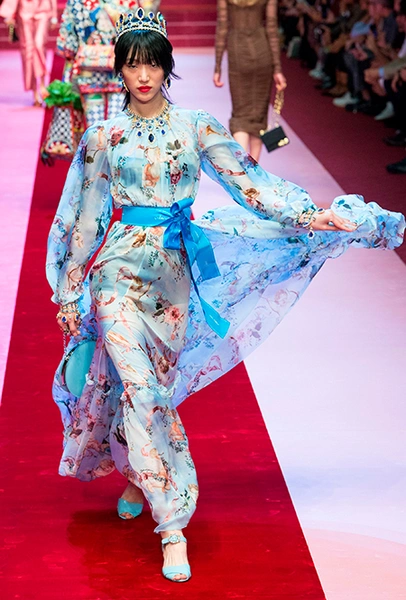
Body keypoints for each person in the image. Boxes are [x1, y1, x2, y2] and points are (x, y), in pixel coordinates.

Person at [46, 8, 405, 583]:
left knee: (154, 390)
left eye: (152, 63)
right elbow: (82, 218)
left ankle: (138, 475)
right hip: (117, 272)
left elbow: (251, 185)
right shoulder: (102, 137)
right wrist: (68, 289)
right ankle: (172, 525)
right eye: (133, 65)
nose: (143, 75)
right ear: (120, 70)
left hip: (174, 277)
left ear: (167, 67)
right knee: (140, 388)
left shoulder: (197, 127)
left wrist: (311, 216)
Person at [213, 0, 287, 161]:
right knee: (258, 116)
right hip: (262, 51)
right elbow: (272, 29)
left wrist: (217, 66)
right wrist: (277, 69)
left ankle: (242, 169)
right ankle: (253, 172)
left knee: (240, 114)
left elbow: (222, 27)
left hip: (237, 51)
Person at [0, 0, 58, 106]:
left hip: (43, 9)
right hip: (25, 10)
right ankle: (34, 91)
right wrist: (9, 14)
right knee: (28, 51)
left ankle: (42, 84)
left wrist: (54, 14)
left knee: (39, 45)